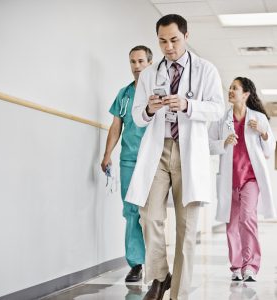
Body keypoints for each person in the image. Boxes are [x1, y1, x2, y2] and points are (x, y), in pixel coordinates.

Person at [125, 14, 225, 300]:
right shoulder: (149, 73)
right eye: (162, 41)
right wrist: (150, 110)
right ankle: (160, 275)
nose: (168, 47)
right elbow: (138, 117)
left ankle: (178, 294)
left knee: (186, 229)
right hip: (158, 151)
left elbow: (218, 109)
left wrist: (188, 105)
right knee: (149, 216)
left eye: (174, 40)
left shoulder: (206, 70)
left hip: (188, 153)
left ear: (186, 35)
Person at [208, 77, 276, 282]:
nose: (230, 91)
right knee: (231, 225)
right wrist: (223, 142)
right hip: (230, 180)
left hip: (251, 179)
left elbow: (269, 149)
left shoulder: (258, 118)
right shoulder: (222, 119)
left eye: (234, 88)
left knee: (247, 219)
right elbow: (209, 144)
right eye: (230, 87)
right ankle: (236, 266)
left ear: (245, 94)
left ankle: (251, 266)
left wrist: (263, 133)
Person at [101, 45, 153, 282]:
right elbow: (116, 126)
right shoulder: (123, 94)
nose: (136, 66)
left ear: (150, 64)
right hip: (128, 160)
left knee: (152, 214)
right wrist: (107, 154)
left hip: (153, 160)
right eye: (133, 62)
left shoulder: (157, 93)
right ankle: (136, 264)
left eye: (141, 61)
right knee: (131, 212)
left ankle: (156, 263)